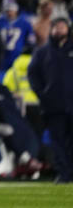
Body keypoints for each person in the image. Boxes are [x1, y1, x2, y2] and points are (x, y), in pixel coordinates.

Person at [28, 18, 73, 183]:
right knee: (58, 141)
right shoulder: (42, 52)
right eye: (56, 27)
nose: (60, 30)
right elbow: (32, 75)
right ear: (51, 30)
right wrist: (43, 94)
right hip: (53, 106)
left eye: (63, 27)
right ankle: (64, 174)